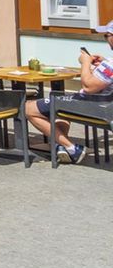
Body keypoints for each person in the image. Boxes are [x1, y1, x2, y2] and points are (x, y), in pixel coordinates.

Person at [23, 21, 113, 164]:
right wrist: (102, 64)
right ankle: (61, 146)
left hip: (93, 106)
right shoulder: (109, 63)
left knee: (27, 108)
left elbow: (89, 87)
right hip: (103, 105)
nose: (106, 39)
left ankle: (72, 148)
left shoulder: (111, 64)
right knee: (60, 104)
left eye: (107, 35)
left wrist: (85, 63)